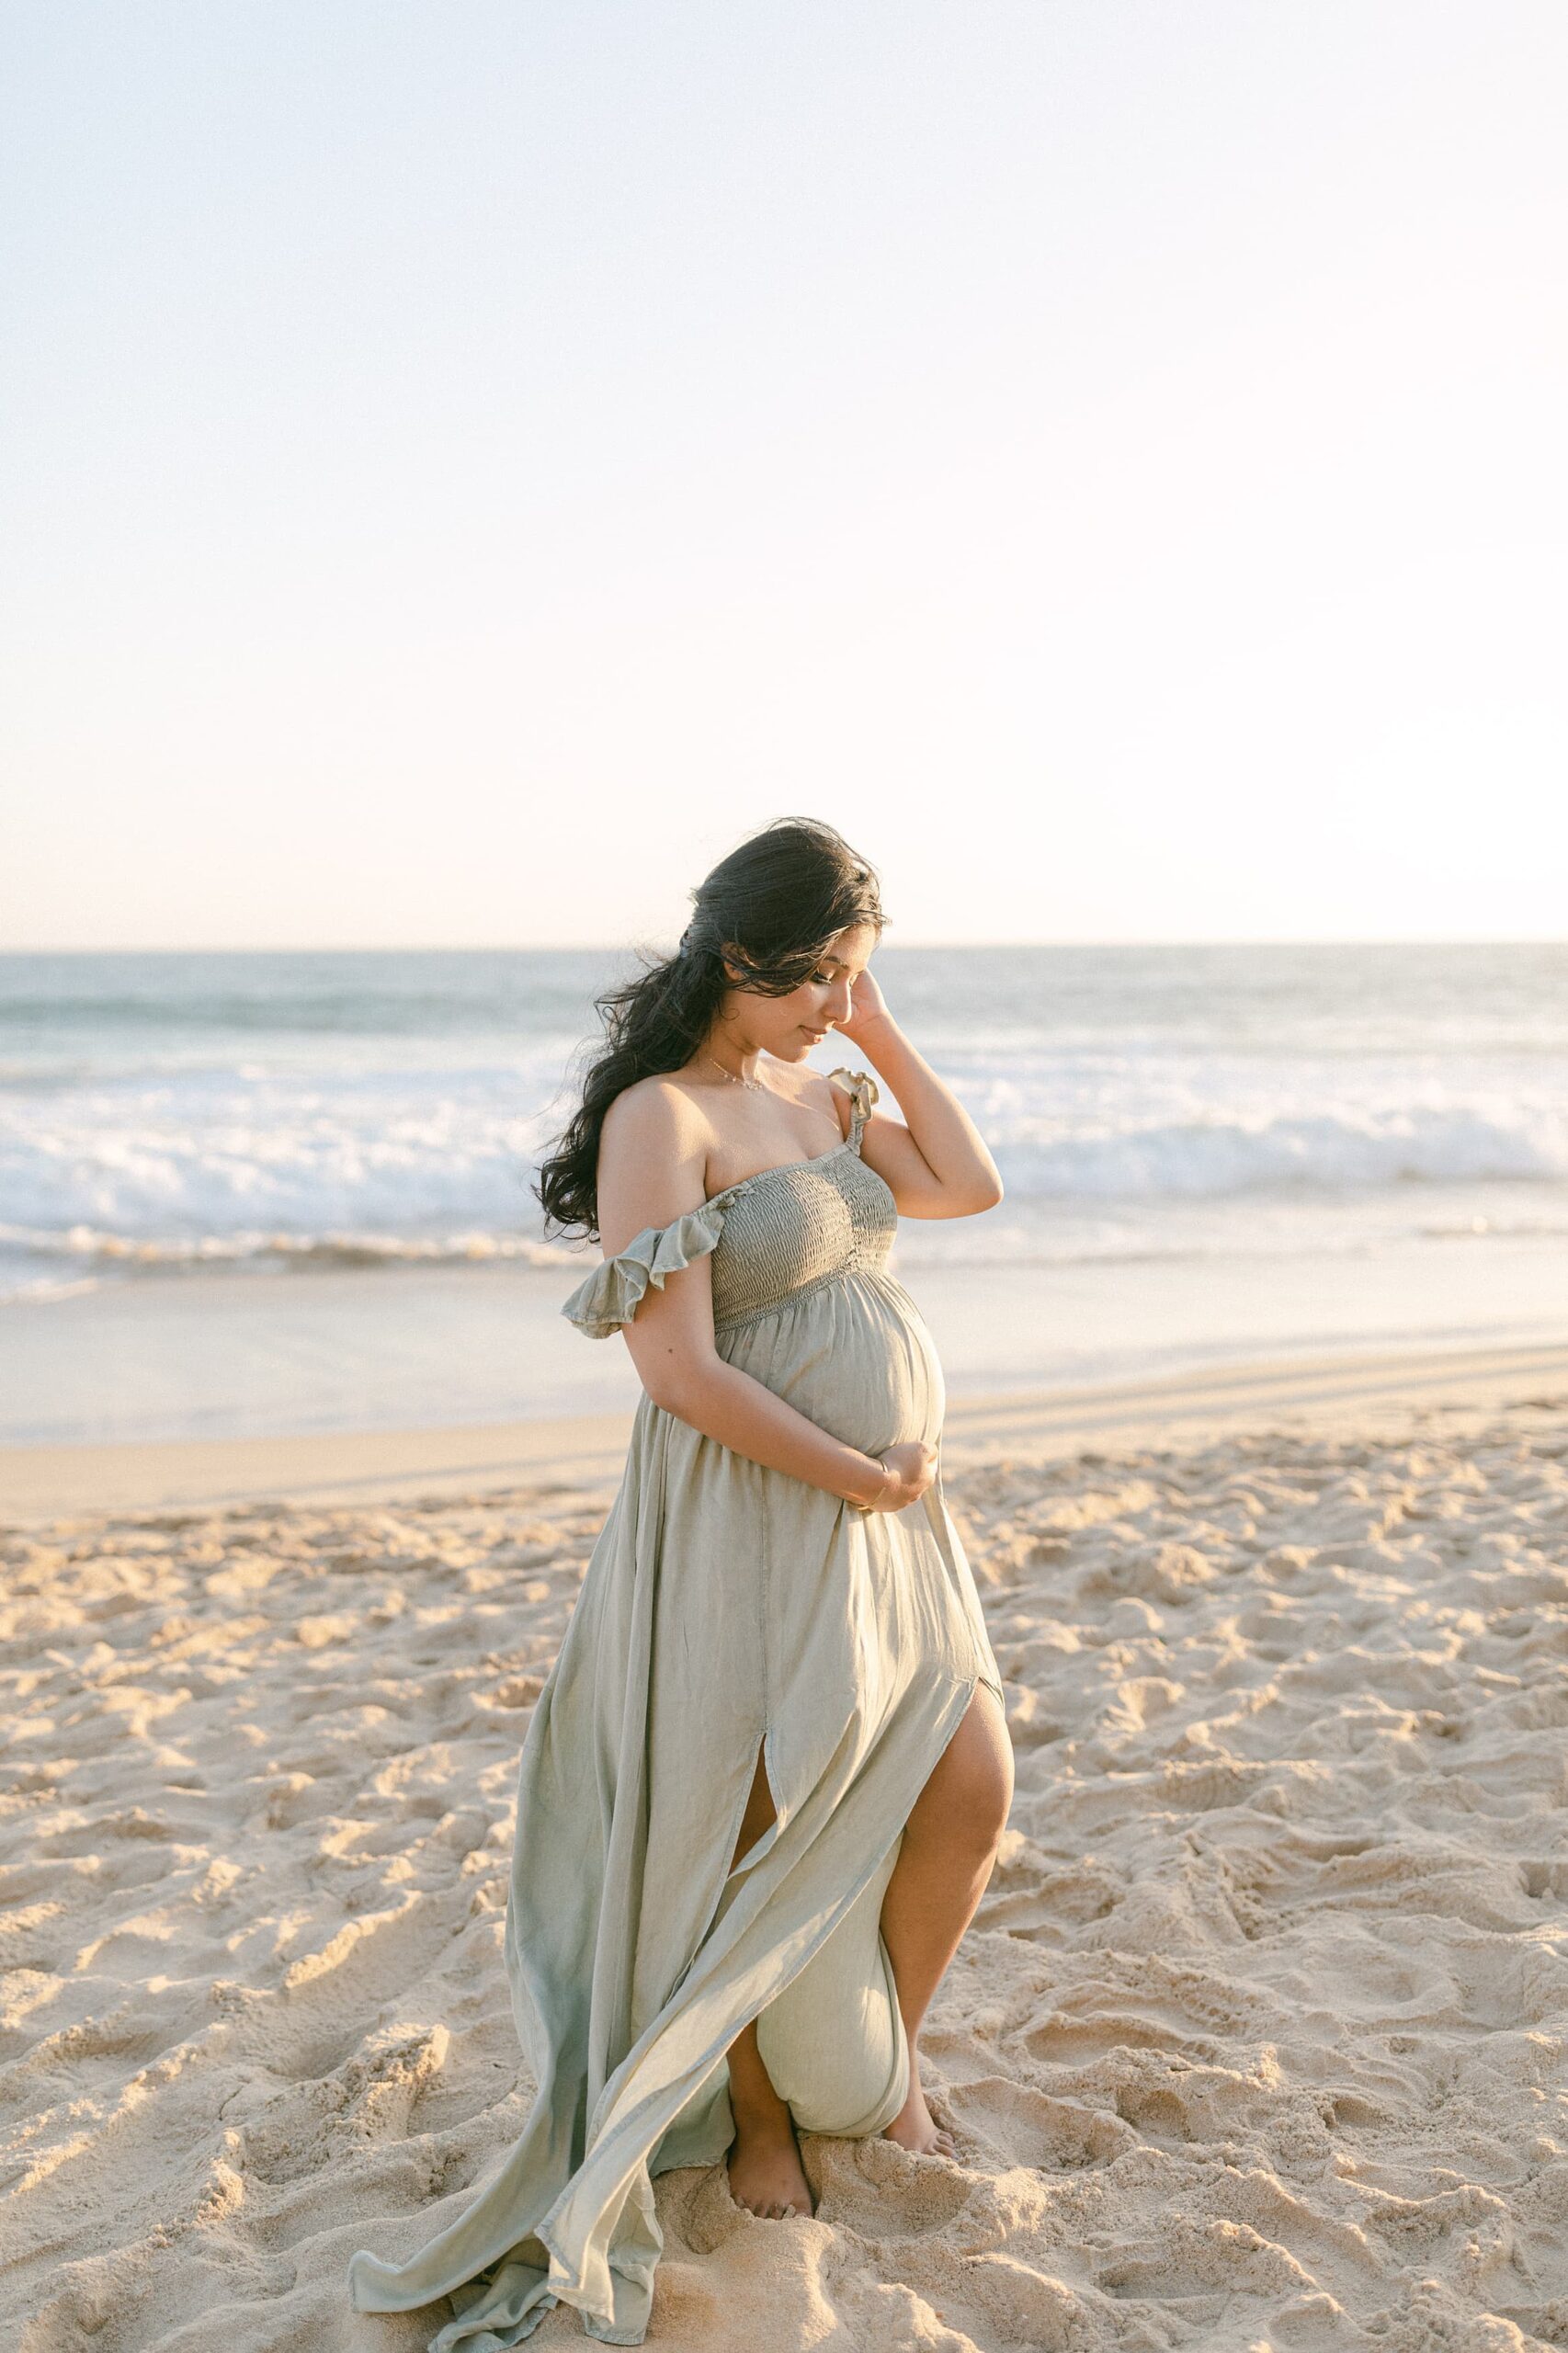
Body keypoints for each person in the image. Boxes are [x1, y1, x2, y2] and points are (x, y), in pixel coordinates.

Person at [347, 815, 1014, 2348]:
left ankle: (883, 2064)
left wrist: (877, 1029)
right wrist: (859, 1473)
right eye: (816, 976)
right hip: (757, 1513)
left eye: (854, 976)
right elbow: (680, 1374)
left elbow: (964, 1186)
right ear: (737, 955)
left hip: (890, 1529)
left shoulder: (813, 1090)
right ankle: (766, 2114)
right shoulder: (664, 1117)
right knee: (754, 1815)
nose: (833, 1004)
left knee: (963, 1790)